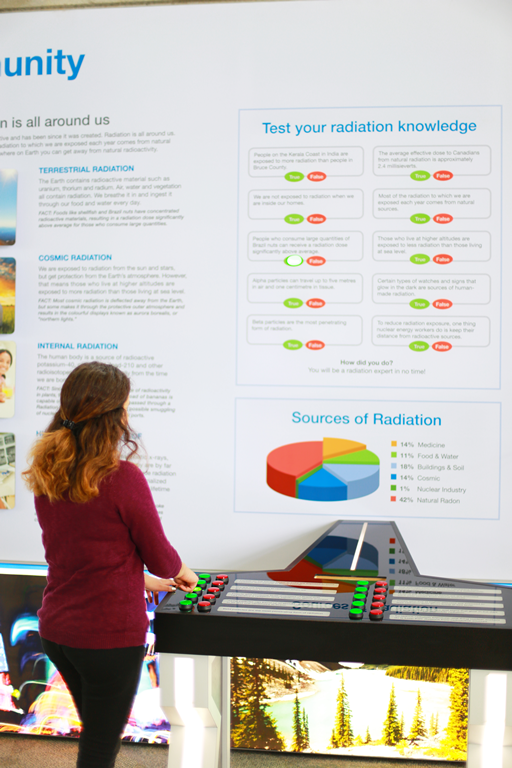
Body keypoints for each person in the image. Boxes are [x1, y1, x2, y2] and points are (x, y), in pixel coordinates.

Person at [23, 361, 198, 768]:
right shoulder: (122, 478)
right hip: (107, 639)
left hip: (59, 632)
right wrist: (180, 572)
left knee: (98, 731)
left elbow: (86, 553)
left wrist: (143, 581)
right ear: (114, 417)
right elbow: (159, 553)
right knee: (100, 748)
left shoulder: (49, 473)